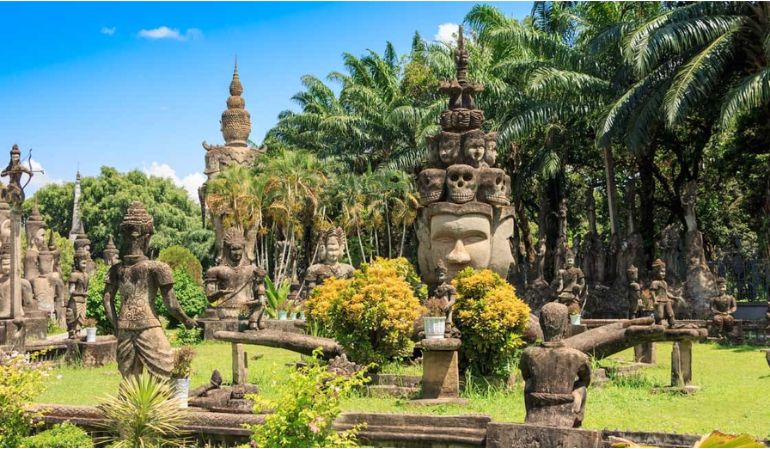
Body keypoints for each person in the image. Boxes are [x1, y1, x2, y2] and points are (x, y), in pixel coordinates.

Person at [103, 201, 196, 379]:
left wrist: (116, 324)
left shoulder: (116, 269)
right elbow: (172, 305)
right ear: (144, 237)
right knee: (165, 367)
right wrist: (186, 320)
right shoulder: (157, 268)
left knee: (129, 375)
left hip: (124, 326)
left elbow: (107, 300)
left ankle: (133, 405)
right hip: (148, 324)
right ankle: (156, 404)